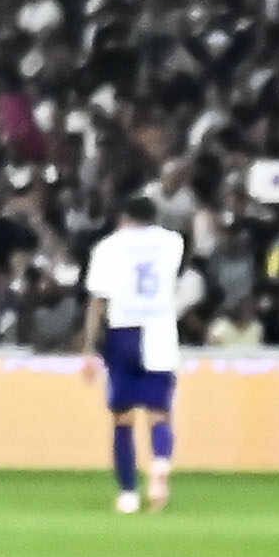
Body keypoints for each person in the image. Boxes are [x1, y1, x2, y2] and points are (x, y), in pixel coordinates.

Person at [83, 200, 186, 513]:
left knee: (123, 417)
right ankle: (160, 462)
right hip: (160, 331)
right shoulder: (173, 242)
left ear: (123, 216)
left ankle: (128, 493)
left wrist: (89, 348)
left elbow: (98, 300)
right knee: (160, 412)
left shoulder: (109, 247)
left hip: (125, 331)